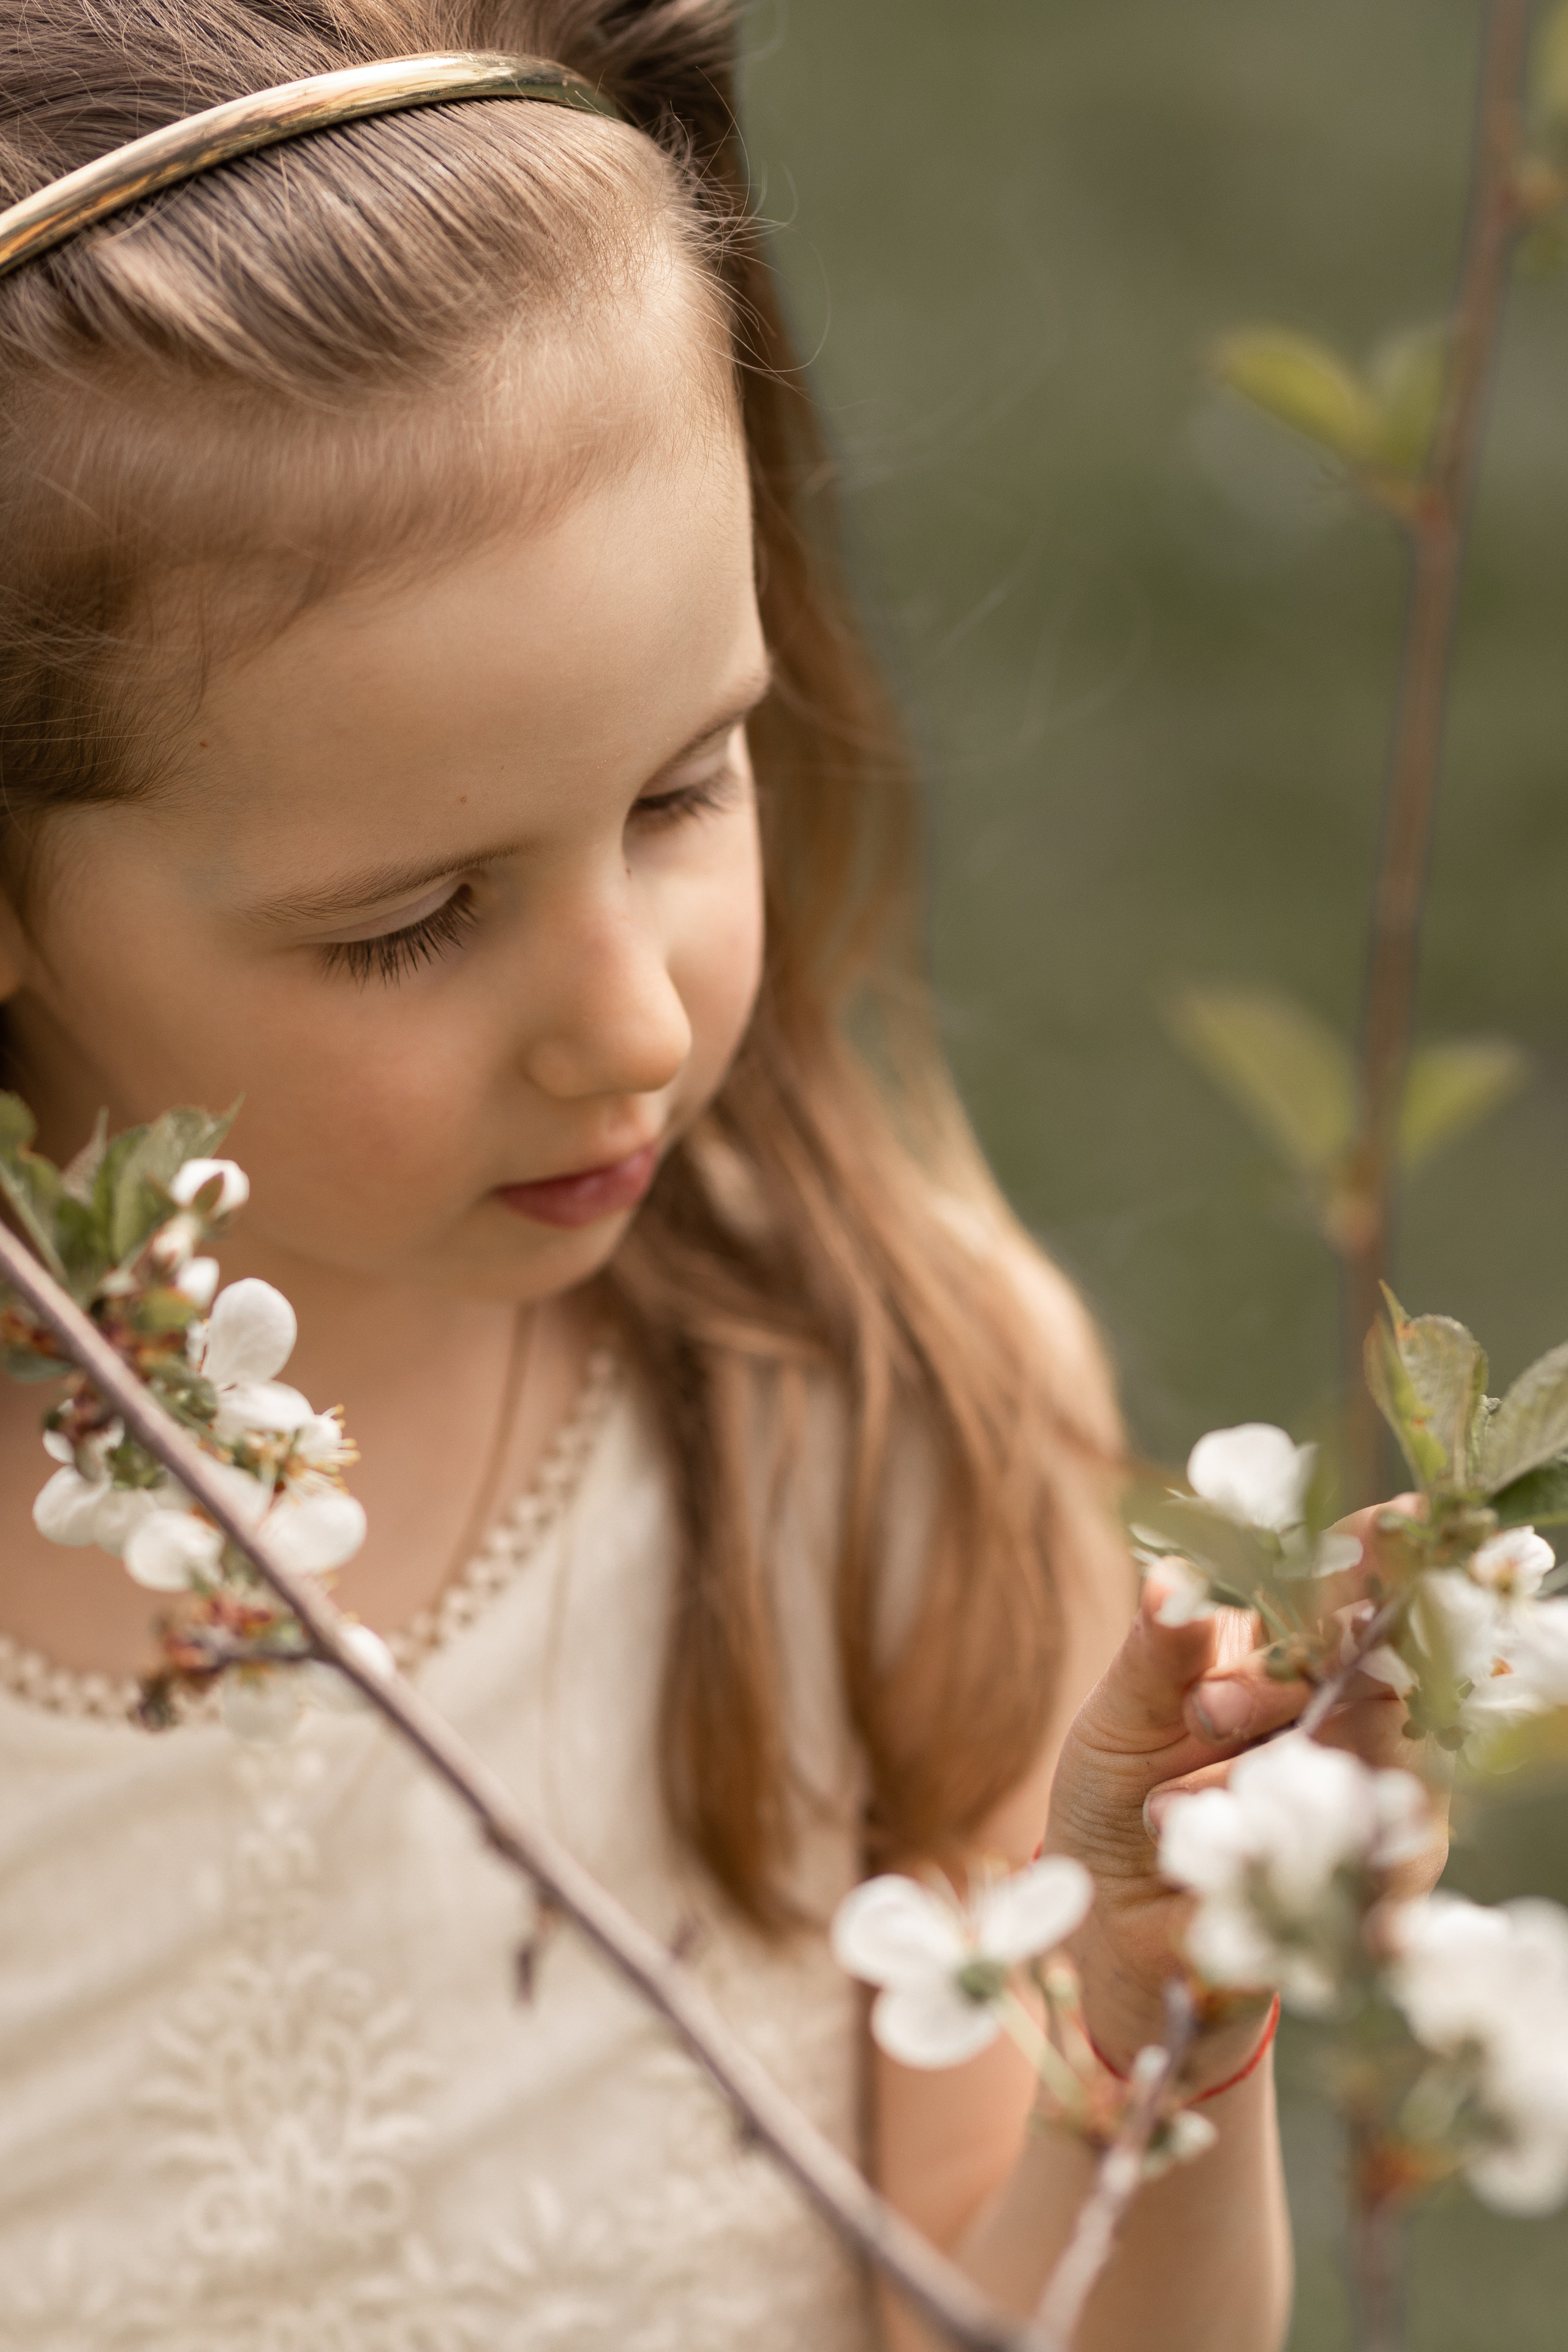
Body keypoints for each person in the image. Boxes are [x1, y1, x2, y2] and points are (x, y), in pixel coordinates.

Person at [0, 7, 1440, 2349]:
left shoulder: (866, 1421)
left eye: (684, 791)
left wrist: (1153, 2049)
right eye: (412, 920)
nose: (642, 1022)